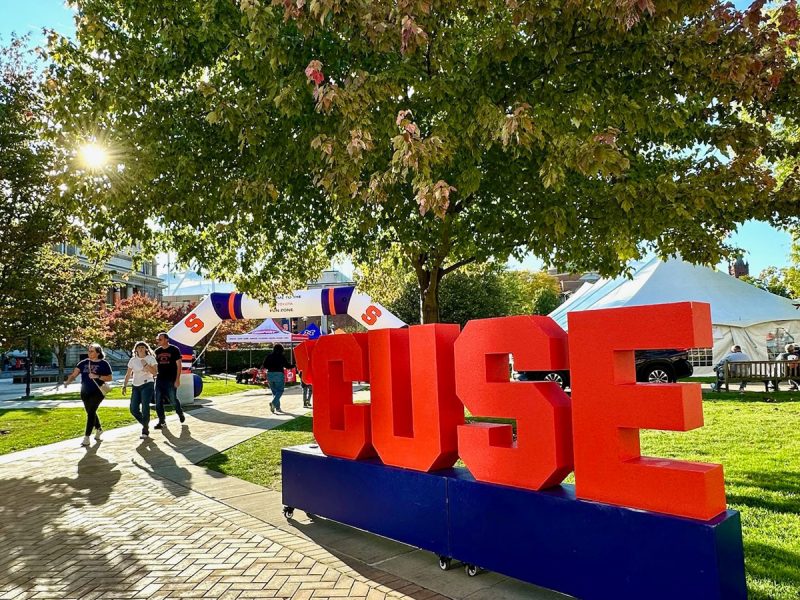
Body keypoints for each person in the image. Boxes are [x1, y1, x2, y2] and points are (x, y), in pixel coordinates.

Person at [63, 343, 113, 447]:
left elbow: (109, 378)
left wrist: (97, 376)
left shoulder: (104, 364)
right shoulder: (83, 363)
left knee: (91, 412)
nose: (89, 352)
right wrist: (68, 381)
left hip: (98, 391)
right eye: (89, 350)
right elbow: (74, 374)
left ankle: (86, 437)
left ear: (98, 352)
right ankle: (99, 429)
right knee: (91, 411)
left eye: (92, 351)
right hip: (85, 391)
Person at [122, 341, 158, 439]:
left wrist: (146, 365)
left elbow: (155, 373)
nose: (141, 349)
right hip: (136, 386)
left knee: (145, 407)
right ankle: (145, 423)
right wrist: (124, 385)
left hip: (147, 384)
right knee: (133, 409)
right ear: (136, 350)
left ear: (146, 349)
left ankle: (145, 431)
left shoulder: (151, 358)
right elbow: (128, 374)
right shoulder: (133, 360)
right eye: (139, 347)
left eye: (143, 347)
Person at [153, 332, 185, 429]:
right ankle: (161, 421)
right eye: (158, 339)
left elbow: (179, 365)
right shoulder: (157, 351)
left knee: (173, 399)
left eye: (161, 339)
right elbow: (154, 365)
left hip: (170, 379)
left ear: (166, 339)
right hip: (159, 379)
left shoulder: (174, 350)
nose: (159, 341)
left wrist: (177, 379)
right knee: (158, 401)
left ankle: (179, 413)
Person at [261, 344, 293, 413]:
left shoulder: (269, 356)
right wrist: (294, 365)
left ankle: (277, 408)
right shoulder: (281, 357)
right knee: (280, 391)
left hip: (270, 374)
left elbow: (265, 365)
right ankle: (273, 403)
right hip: (279, 374)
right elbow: (287, 366)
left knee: (274, 392)